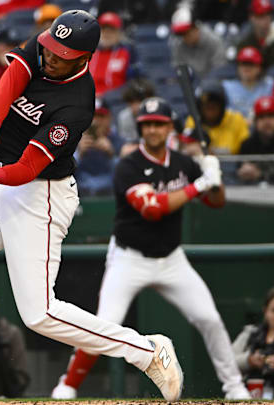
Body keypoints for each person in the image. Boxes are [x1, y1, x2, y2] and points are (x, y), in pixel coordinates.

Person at [0, 11, 184, 404]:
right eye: (49, 48)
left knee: (39, 314)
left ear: (83, 59)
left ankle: (148, 352)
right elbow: (7, 86)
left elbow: (26, 169)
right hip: (0, 181)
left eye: (62, 55)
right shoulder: (44, 47)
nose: (50, 57)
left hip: (41, 194)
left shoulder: (77, 105)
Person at [51, 97, 249, 400]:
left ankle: (235, 387)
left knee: (209, 319)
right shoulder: (128, 166)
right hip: (129, 258)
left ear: (170, 127)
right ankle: (68, 385)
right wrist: (199, 184)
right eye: (148, 125)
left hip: (171, 258)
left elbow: (216, 201)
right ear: (140, 129)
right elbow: (152, 209)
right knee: (105, 324)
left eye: (159, 124)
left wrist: (215, 178)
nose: (154, 130)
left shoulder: (184, 164)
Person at [185, 80, 250, 155]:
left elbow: (246, 150)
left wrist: (211, 152)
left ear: (222, 105)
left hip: (233, 165)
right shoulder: (193, 120)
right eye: (206, 105)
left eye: (214, 104)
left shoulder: (236, 119)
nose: (210, 107)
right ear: (200, 106)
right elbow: (187, 148)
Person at [90, 12, 140, 96]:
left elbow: (133, 82)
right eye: (104, 30)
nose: (107, 34)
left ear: (119, 33)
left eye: (111, 31)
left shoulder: (127, 52)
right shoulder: (88, 52)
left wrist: (107, 96)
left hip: (116, 101)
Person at [169, 7, 227, 79]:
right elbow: (178, 71)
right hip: (189, 85)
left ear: (196, 27)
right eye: (180, 34)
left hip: (211, 86)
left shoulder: (213, 41)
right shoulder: (178, 43)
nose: (184, 37)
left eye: (186, 33)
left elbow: (219, 72)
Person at [237, 0, 274, 69]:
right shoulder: (245, 43)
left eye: (268, 14)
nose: (265, 20)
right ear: (251, 17)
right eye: (260, 16)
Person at [222, 47, 274, 119]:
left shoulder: (269, 85)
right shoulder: (226, 87)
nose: (247, 68)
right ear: (238, 67)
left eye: (251, 64)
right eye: (243, 64)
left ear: (259, 67)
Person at [117, 78, 156, 151]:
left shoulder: (162, 112)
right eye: (132, 102)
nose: (137, 106)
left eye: (140, 100)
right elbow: (128, 144)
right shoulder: (124, 117)